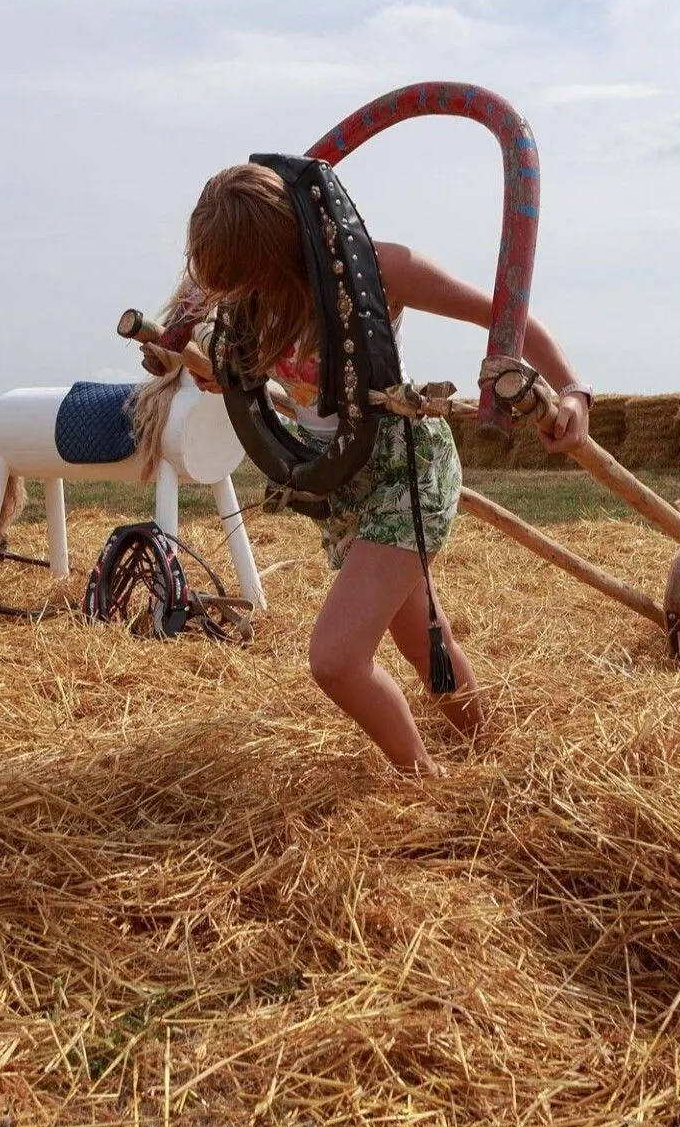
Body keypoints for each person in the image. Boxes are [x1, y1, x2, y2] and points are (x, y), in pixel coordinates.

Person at [182, 162, 592, 771]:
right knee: (425, 639)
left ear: (283, 246)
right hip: (340, 483)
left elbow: (509, 316)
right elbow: (271, 379)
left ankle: (423, 785)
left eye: (253, 275)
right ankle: (490, 755)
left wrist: (574, 392)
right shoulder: (249, 297)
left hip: (406, 469)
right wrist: (218, 376)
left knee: (336, 658)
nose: (243, 292)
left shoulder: (379, 268)